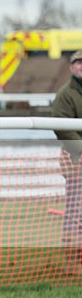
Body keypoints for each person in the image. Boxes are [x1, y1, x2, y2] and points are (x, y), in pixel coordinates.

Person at [51, 50, 82, 275]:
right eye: (79, 63)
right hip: (76, 162)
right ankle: (72, 262)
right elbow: (62, 127)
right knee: (74, 212)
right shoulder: (65, 94)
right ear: (71, 68)